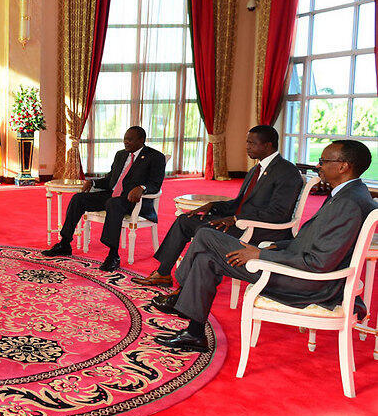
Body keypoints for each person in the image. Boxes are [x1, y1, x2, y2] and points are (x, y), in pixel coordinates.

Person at [151, 140, 377, 352]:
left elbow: (319, 262)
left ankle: (178, 292)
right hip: (294, 266)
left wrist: (259, 254)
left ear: (343, 166)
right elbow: (312, 242)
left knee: (206, 236)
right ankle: (195, 333)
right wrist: (276, 248)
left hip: (305, 283)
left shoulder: (348, 203)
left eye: (324, 161)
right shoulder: (349, 194)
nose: (319, 165)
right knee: (206, 258)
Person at [132, 125, 303, 287]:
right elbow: (239, 202)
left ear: (267, 145)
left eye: (252, 143)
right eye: (247, 142)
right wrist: (212, 206)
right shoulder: (256, 169)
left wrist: (237, 218)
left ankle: (187, 287)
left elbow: (279, 214)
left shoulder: (286, 172)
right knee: (185, 220)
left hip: (260, 229)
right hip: (239, 221)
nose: (247, 147)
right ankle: (163, 273)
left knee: (204, 231)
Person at [42, 126, 166, 271]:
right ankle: (65, 243)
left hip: (134, 201)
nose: (126, 142)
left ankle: (113, 256)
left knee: (113, 203)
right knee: (78, 199)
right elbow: (110, 180)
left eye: (130, 140)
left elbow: (155, 184)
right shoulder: (121, 155)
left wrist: (143, 188)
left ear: (141, 140)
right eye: (125, 139)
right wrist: (93, 183)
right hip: (113, 196)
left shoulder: (155, 157)